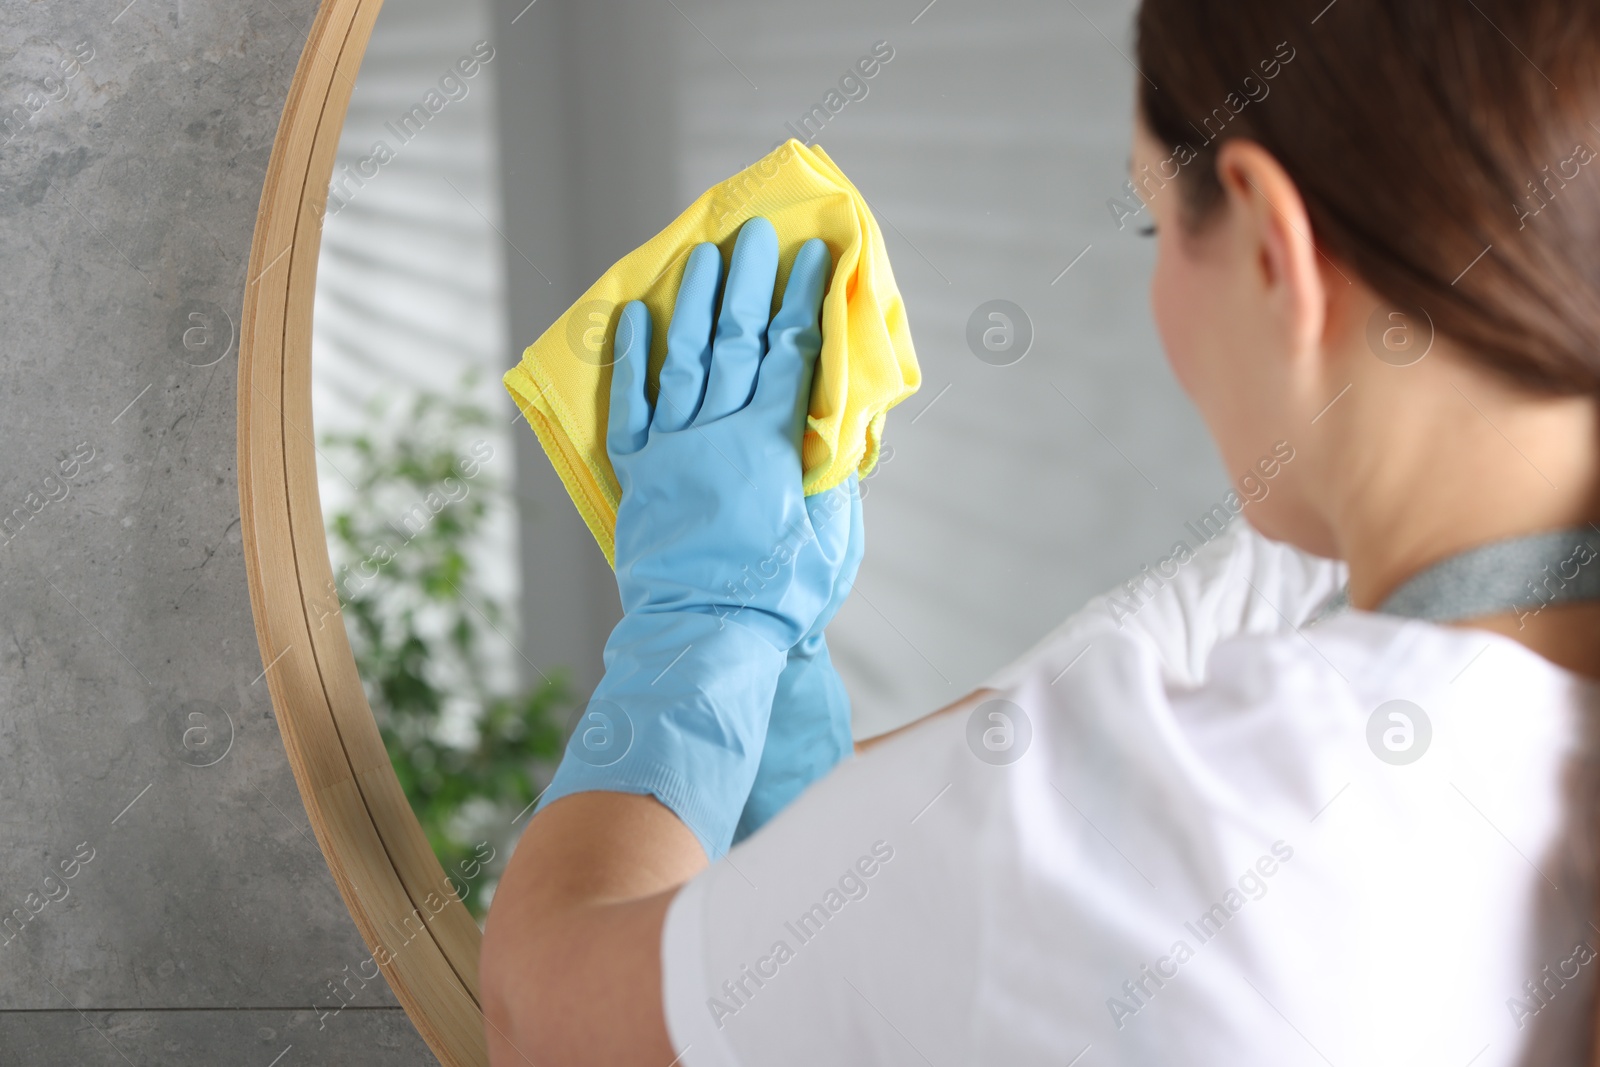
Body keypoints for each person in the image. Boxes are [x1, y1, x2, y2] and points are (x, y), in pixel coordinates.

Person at [480, 1, 1600, 1062]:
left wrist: (707, 619)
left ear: (1268, 241)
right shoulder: (1300, 604)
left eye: (1153, 219)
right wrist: (779, 716)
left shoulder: (1165, 822)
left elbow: (549, 1020)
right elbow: (868, 910)